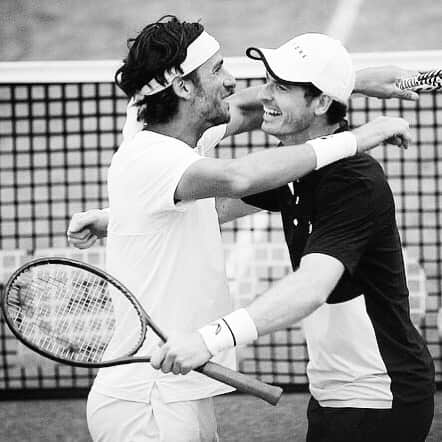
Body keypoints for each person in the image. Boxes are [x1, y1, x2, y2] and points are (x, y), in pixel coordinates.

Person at [67, 15, 413, 442]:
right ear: (183, 87)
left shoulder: (174, 130)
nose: (232, 82)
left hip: (184, 385)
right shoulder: (155, 155)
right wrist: (360, 135)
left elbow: (238, 146)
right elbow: (239, 179)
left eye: (279, 84)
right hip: (150, 396)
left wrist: (348, 82)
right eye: (216, 70)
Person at [145, 34, 435, 442]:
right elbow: (214, 209)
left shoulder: (354, 183)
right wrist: (120, 215)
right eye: (268, 80)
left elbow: (312, 287)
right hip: (333, 395)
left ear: (319, 103)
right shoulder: (294, 171)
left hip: (381, 395)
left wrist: (209, 339)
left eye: (281, 86)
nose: (264, 94)